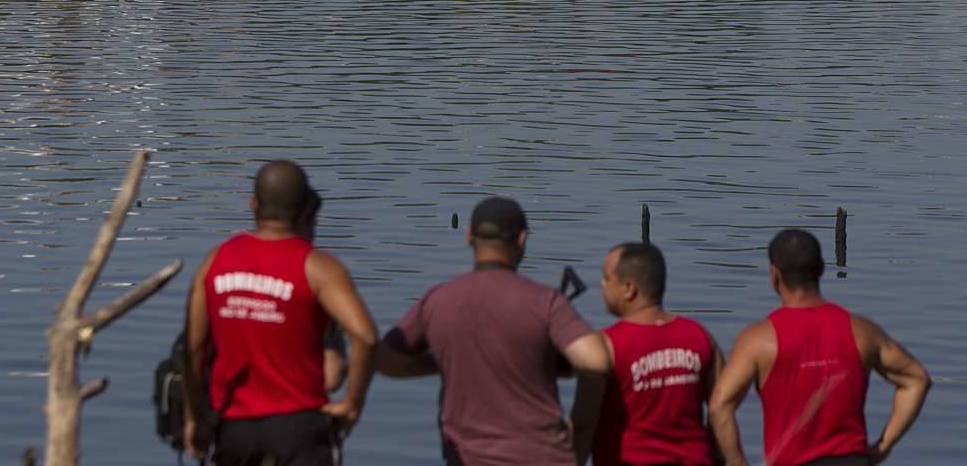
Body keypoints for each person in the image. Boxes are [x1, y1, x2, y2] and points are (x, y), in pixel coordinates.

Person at [375, 196, 610, 465]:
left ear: (468, 237)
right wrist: (544, 363)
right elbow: (595, 360)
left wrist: (447, 362)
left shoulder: (438, 300)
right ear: (522, 239)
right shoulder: (545, 302)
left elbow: (386, 360)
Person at [184, 160, 378, 466]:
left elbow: (194, 347)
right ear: (304, 210)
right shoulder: (318, 267)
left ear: (253, 204)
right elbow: (365, 337)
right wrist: (352, 404)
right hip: (300, 428)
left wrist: (194, 416)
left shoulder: (214, 261)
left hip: (234, 429)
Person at [709, 229, 932, 466]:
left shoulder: (758, 340)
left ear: (774, 275)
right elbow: (917, 379)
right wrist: (882, 447)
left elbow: (719, 407)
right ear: (822, 269)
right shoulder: (862, 332)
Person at [572, 242, 725, 466]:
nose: (601, 284)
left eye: (607, 278)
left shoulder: (605, 346)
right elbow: (721, 410)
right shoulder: (700, 337)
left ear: (629, 288)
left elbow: (584, 422)